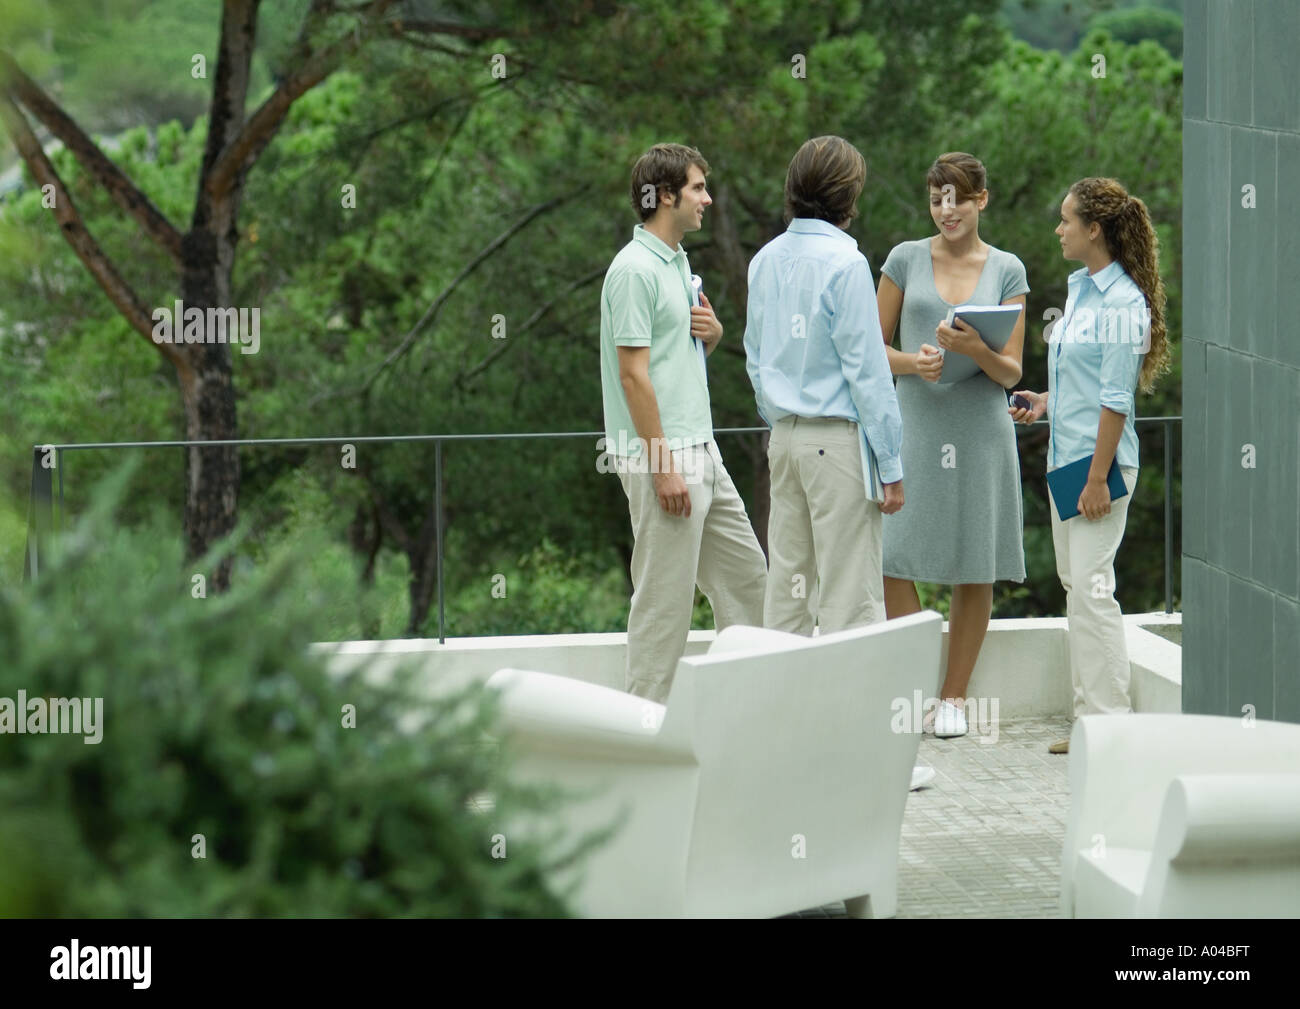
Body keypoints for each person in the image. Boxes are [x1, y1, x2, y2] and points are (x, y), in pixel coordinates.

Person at [745, 136, 933, 791]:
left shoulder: (765, 260)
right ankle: (864, 765)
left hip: (787, 440)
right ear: (847, 196)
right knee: (853, 607)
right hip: (837, 445)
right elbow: (868, 369)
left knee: (787, 599)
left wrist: (781, 423)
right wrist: (891, 460)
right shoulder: (847, 263)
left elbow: (753, 355)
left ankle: (782, 753)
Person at [599, 142, 768, 704]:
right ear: (665, 195)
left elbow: (668, 362)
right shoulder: (633, 271)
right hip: (665, 460)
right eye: (698, 187)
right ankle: (642, 736)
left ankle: (748, 716)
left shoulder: (677, 263)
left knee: (749, 583)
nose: (708, 198)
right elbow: (632, 377)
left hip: (704, 452)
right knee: (663, 604)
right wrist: (663, 467)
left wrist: (713, 338)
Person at [1009, 176, 1169, 754]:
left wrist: (1099, 478)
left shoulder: (1125, 302)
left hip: (1098, 471)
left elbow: (1116, 400)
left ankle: (1108, 726)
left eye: (1066, 220)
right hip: (1067, 462)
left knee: (1094, 590)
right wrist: (1045, 402)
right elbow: (1085, 385)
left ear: (1093, 229)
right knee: (1079, 587)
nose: (1058, 228)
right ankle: (1089, 723)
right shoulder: (1081, 290)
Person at [877, 152, 1030, 739]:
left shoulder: (1009, 270)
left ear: (981, 200)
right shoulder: (904, 259)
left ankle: (953, 699)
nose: (947, 210)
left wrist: (972, 351)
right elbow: (871, 348)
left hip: (980, 431)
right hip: (913, 423)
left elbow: (1011, 371)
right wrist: (915, 362)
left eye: (958, 199)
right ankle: (916, 690)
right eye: (938, 198)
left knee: (976, 564)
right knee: (893, 555)